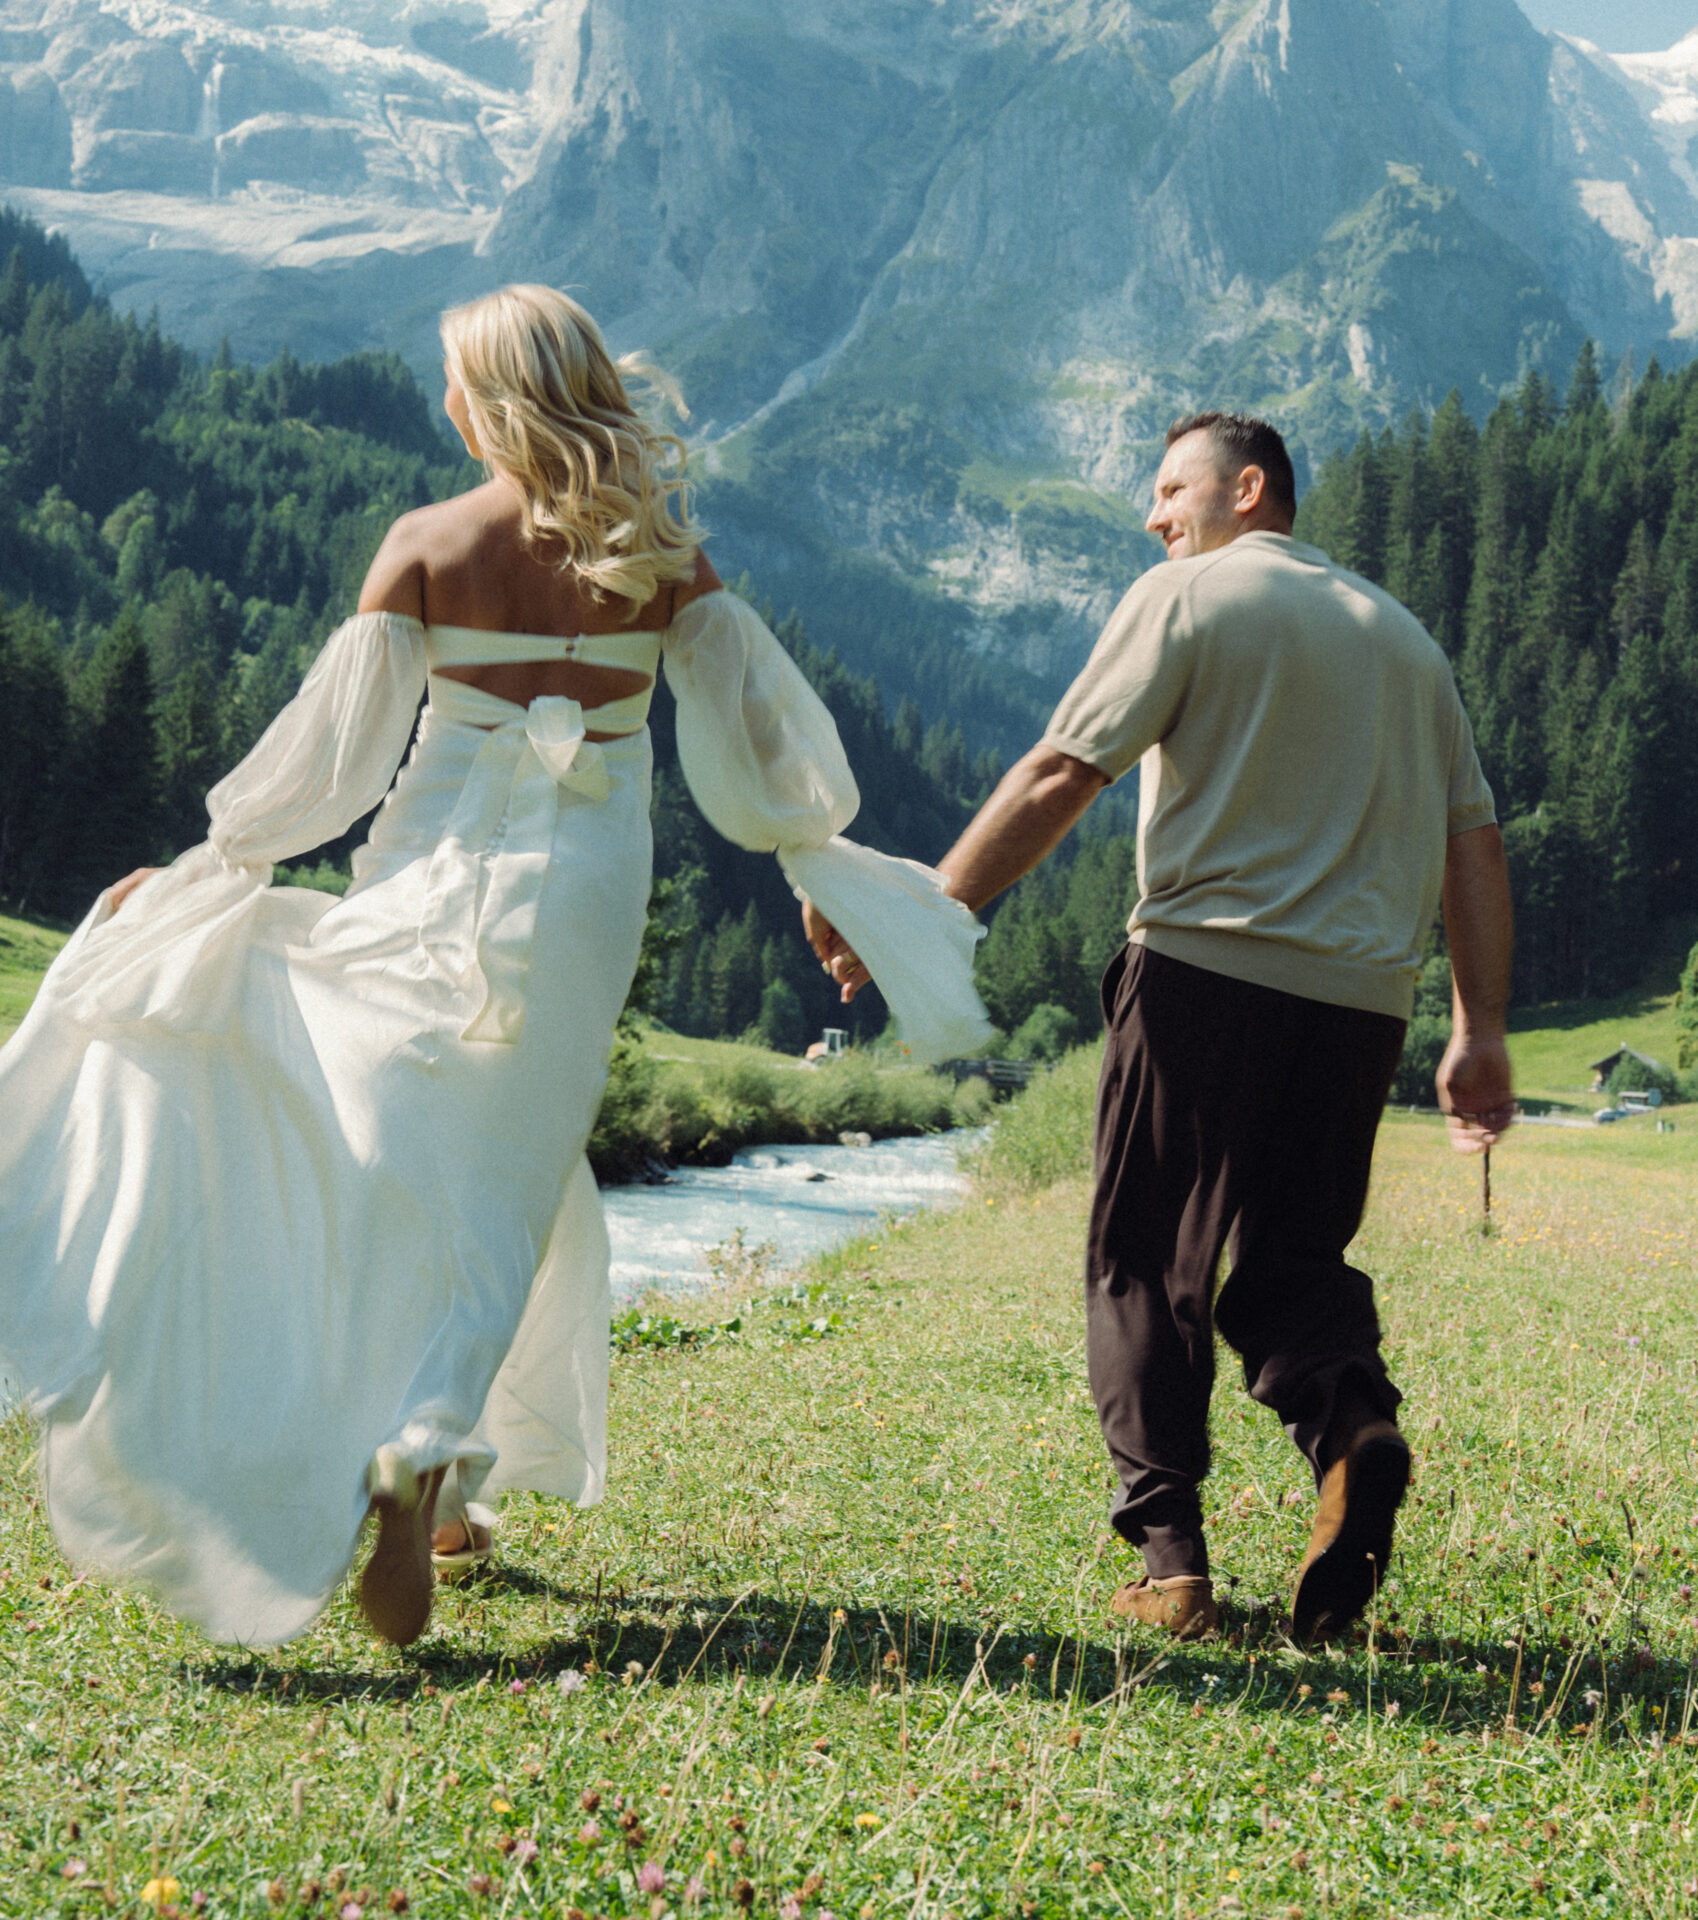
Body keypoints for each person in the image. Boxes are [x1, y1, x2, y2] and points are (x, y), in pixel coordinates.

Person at [0, 285, 987, 1650]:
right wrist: (816, 868)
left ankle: (406, 1456)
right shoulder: (660, 559)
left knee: (389, 1156)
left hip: (421, 883)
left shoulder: (428, 545)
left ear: (489, 403)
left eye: (452, 383)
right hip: (584, 897)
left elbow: (331, 767)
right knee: (509, 1184)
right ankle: (430, 1460)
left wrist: (214, 869)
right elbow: (764, 751)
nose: (442, 404)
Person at [807, 410, 1514, 1644]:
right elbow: (1474, 847)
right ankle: (1353, 1428)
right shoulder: (1408, 644)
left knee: (1147, 1258)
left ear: (1249, 489)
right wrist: (1482, 1027)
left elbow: (1058, 775)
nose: (1153, 513)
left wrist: (925, 916)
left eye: (1170, 485)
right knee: (1293, 1260)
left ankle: (1171, 1555)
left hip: (1201, 977)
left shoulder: (1187, 597)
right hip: (1358, 1008)